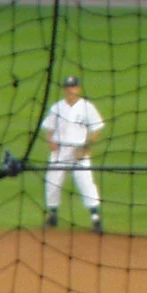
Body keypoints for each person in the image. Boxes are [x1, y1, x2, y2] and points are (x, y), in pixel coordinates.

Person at [41, 76, 105, 233]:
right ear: (64, 89)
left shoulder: (87, 107)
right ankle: (52, 216)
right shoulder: (57, 107)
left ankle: (95, 219)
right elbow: (49, 128)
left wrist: (86, 146)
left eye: (74, 86)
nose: (71, 89)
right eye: (68, 87)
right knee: (52, 183)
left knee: (86, 183)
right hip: (60, 151)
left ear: (79, 89)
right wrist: (50, 141)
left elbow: (96, 128)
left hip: (79, 152)